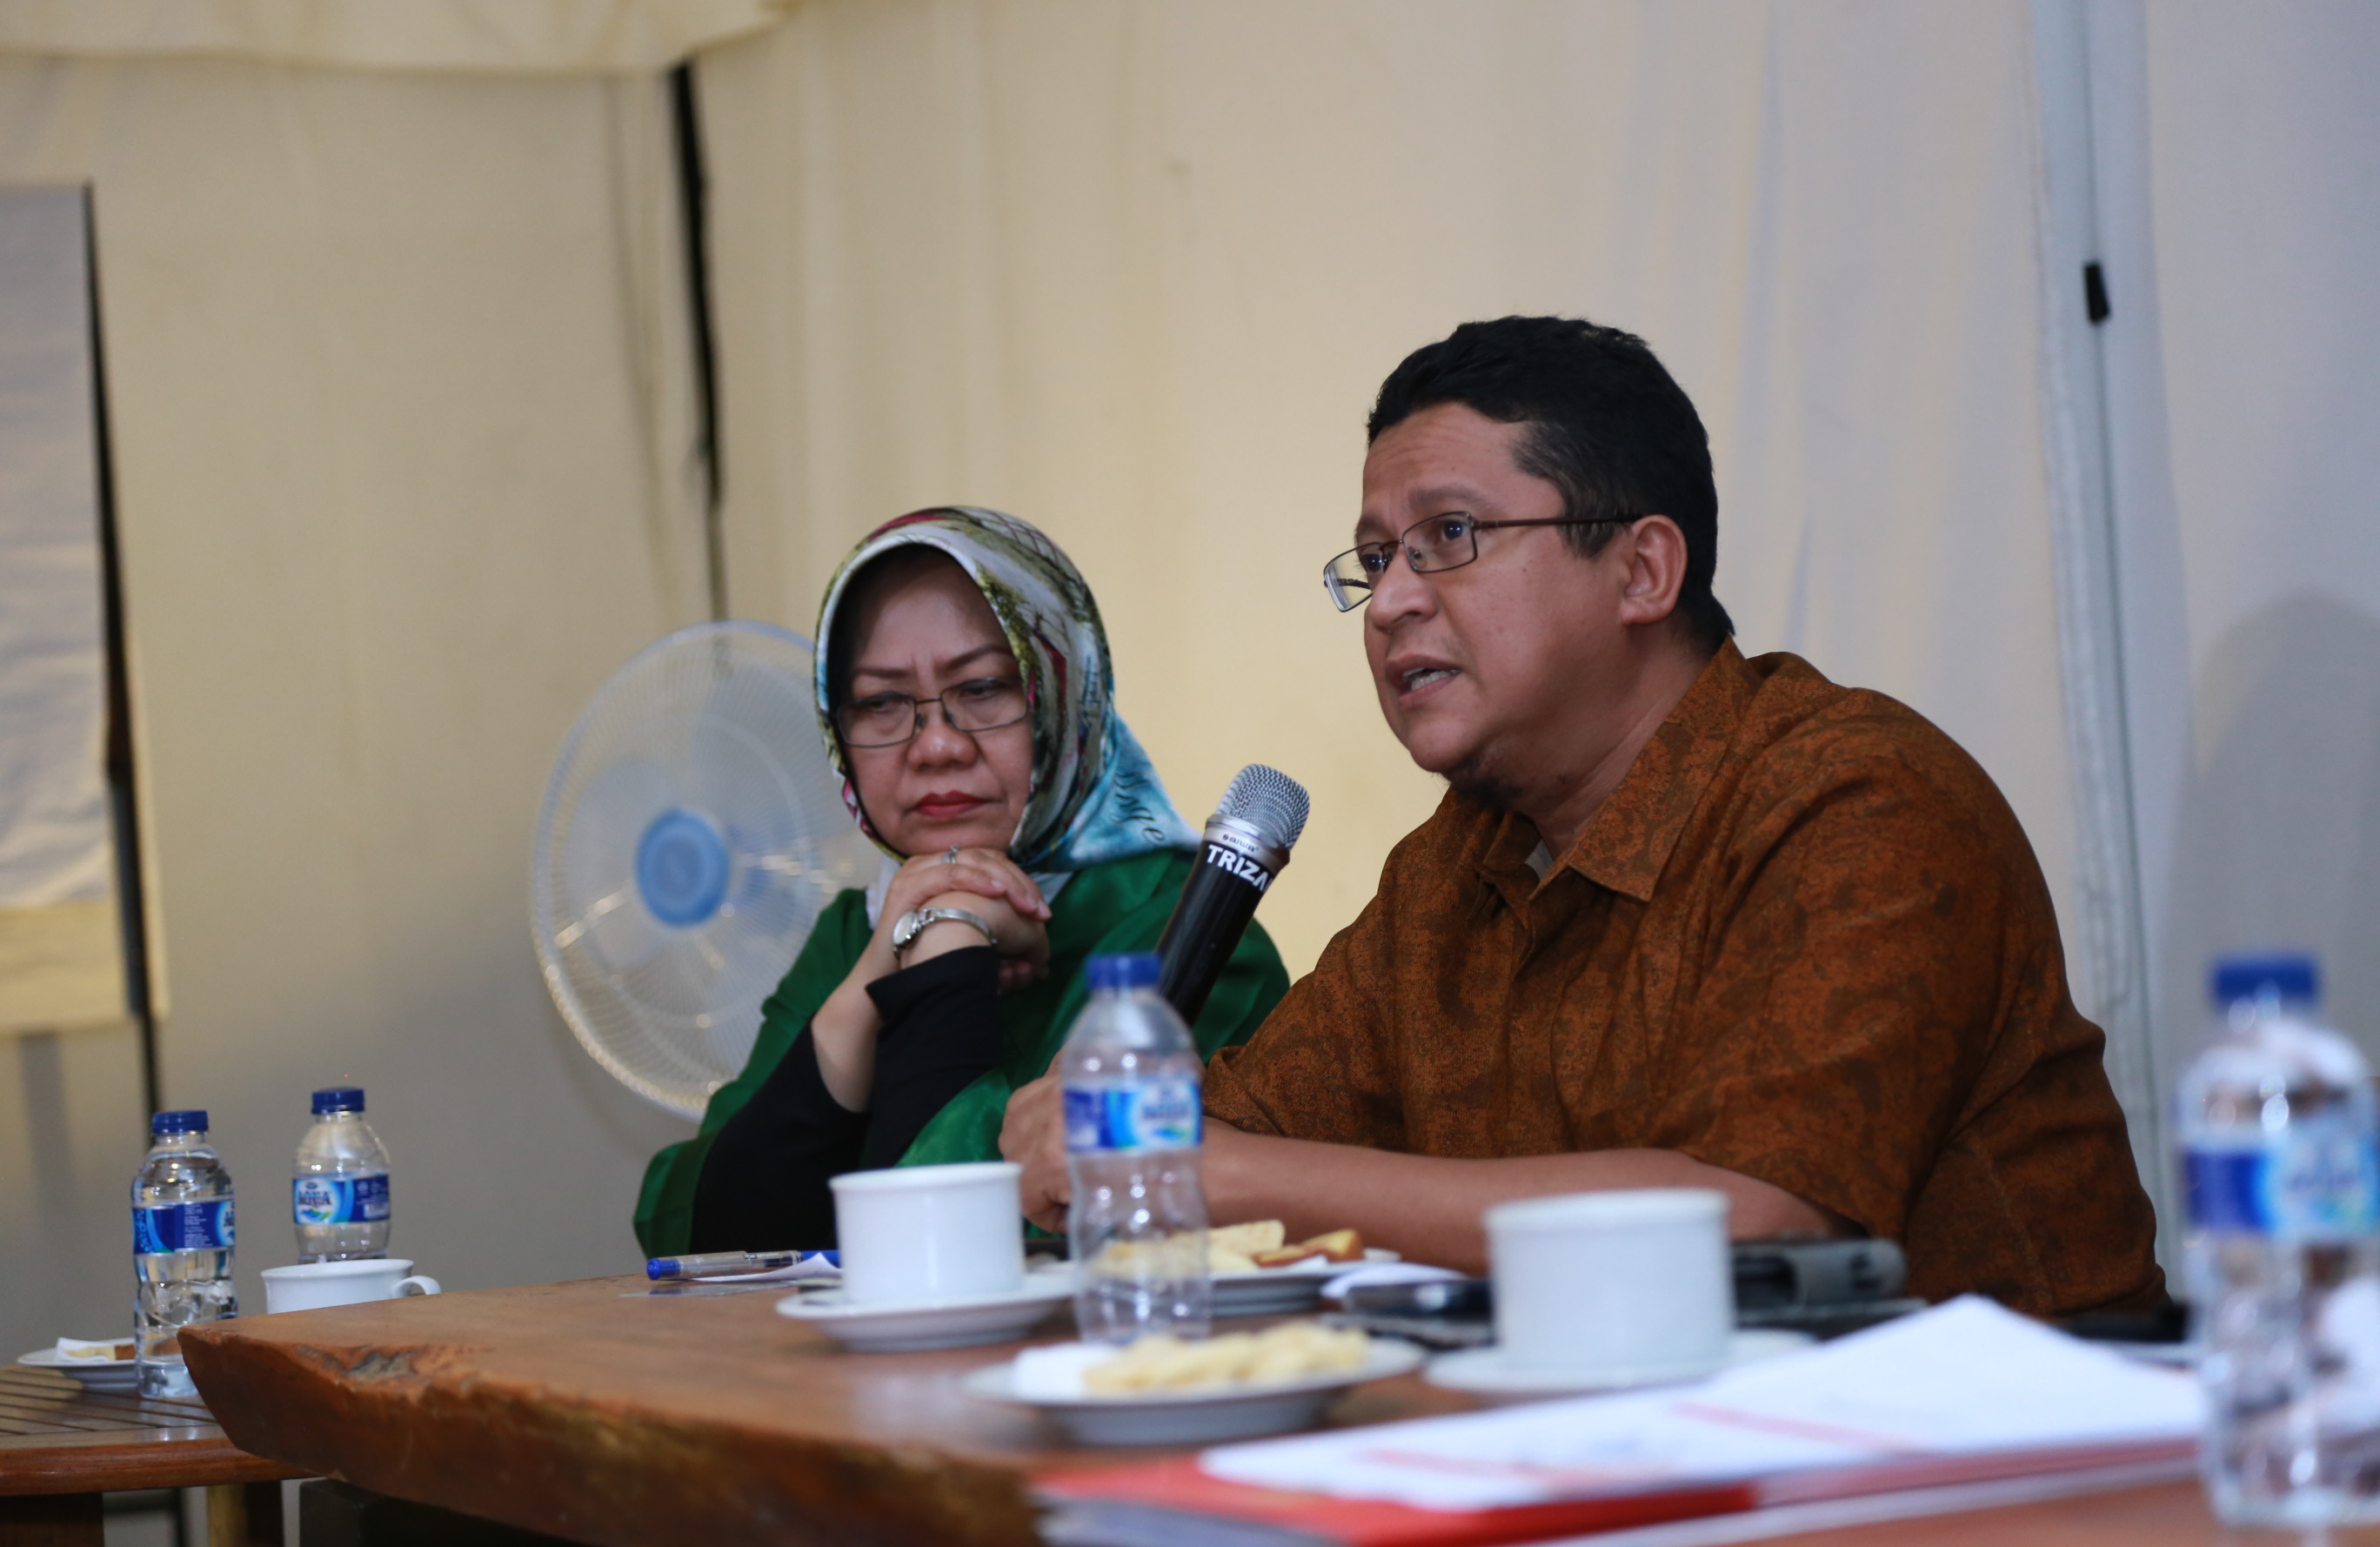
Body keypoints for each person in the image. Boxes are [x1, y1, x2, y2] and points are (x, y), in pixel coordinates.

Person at [1003, 317, 2163, 1316]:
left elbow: (1760, 1220)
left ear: (1642, 570)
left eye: (1450, 537)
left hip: (1992, 1463)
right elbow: (1240, 1136)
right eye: (1375, 559)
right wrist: (1116, 1140)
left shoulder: (1857, 801)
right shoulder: (1450, 873)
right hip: (1613, 1444)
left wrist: (1203, 1172)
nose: (1391, 599)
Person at [636, 507, 1288, 1256]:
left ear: (1064, 692)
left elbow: (986, 1242)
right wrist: (867, 987)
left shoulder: (1187, 935)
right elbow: (707, 1235)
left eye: (983, 689)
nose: (937, 746)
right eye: (881, 703)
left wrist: (948, 938)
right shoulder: (858, 929)